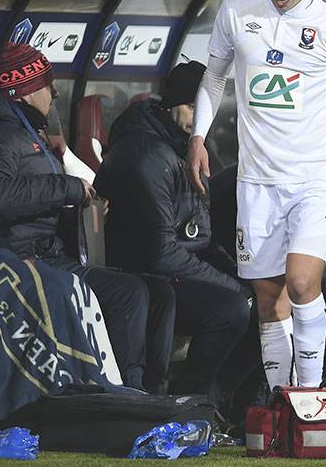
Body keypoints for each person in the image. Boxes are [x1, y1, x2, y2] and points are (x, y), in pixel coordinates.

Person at [187, 0, 326, 390]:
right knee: (270, 300)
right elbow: (214, 77)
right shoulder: (236, 11)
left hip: (318, 177)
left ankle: (310, 399)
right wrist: (198, 136)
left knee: (304, 282)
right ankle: (280, 401)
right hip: (258, 181)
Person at [0, 42, 170, 392]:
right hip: (21, 261)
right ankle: (127, 391)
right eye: (47, 83)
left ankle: (152, 391)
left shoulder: (24, 131)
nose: (54, 91)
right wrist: (67, 189)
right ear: (25, 89)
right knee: (127, 293)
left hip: (48, 253)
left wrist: (80, 211)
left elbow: (29, 200)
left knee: (157, 291)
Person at [95, 60, 250, 400]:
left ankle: (226, 406)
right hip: (144, 274)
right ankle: (189, 402)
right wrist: (233, 286)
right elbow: (160, 252)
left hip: (178, 266)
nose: (199, 117)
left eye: (205, 107)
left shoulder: (184, 145)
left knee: (264, 299)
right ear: (170, 105)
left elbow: (199, 233)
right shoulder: (145, 154)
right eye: (191, 107)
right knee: (234, 309)